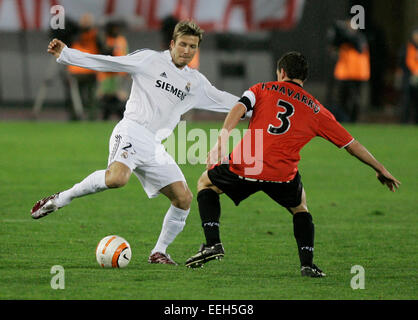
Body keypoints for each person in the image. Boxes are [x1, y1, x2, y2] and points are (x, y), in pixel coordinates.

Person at [31, 20, 239, 265]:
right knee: (117, 179)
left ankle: (158, 252)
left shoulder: (196, 83)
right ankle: (62, 198)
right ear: (172, 44)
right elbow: (109, 62)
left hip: (154, 145)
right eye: (183, 44)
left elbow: (229, 102)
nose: (187, 50)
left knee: (183, 199)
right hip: (132, 130)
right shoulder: (150, 60)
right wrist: (66, 55)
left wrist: (259, 104)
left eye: (192, 46)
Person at [185, 52, 400, 277]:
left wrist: (221, 141)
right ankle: (307, 264)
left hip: (247, 165)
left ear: (282, 72)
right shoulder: (317, 109)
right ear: (303, 78)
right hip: (282, 174)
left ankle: (213, 244)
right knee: (300, 207)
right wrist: (380, 168)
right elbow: (351, 144)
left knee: (206, 183)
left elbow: (239, 107)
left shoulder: (262, 88)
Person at [327, 19, 370, 122]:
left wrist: (344, 32)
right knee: (341, 99)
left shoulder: (360, 37)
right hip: (344, 73)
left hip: (357, 74)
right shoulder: (342, 38)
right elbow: (334, 43)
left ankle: (353, 119)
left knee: (355, 99)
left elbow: (357, 45)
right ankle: (342, 120)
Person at [96, 20, 129, 120]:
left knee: (119, 96)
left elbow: (125, 55)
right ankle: (106, 117)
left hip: (119, 73)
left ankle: (122, 118)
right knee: (106, 97)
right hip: (106, 74)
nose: (115, 30)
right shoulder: (105, 39)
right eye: (113, 28)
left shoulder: (121, 40)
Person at [398, 28, 418, 124]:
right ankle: (404, 121)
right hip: (408, 77)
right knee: (406, 100)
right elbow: (402, 61)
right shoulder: (407, 47)